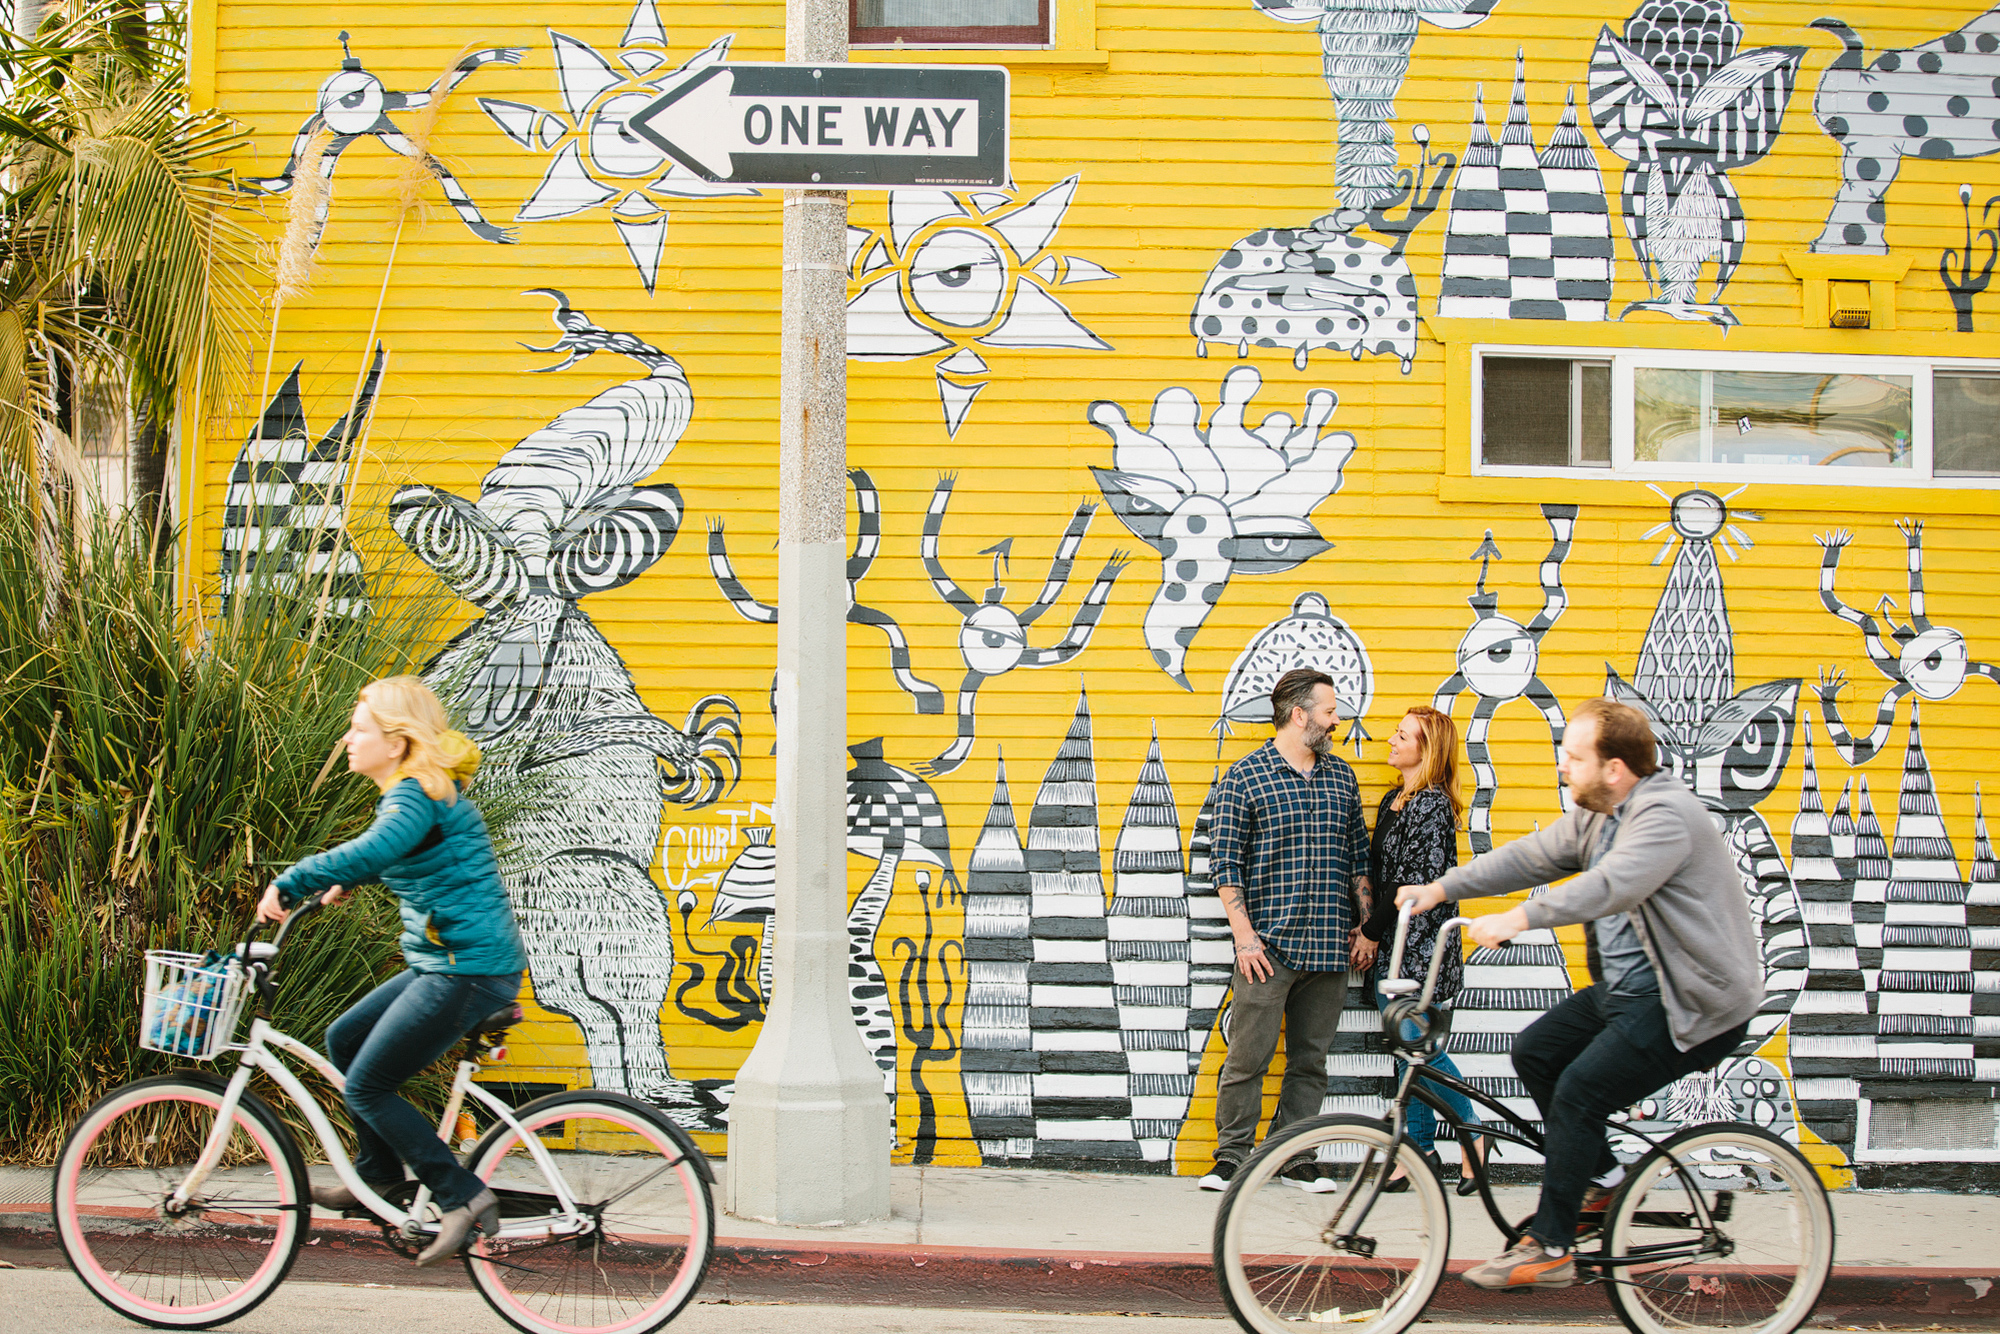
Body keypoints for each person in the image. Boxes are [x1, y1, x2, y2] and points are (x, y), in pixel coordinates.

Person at [1397, 697, 1762, 1291]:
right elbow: (1532, 857)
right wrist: (1441, 888)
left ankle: (1554, 1244)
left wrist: (1520, 920)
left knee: (1579, 1091)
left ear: (1613, 768)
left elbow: (1612, 886)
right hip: (1631, 991)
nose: (1562, 767)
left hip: (1694, 1003)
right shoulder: (1599, 814)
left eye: (1573, 757)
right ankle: (1605, 1182)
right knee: (1536, 1053)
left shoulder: (1664, 816)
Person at [257, 675, 528, 1267]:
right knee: (344, 1039)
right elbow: (404, 852)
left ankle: (461, 1195)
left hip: (467, 970)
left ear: (397, 741)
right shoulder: (418, 795)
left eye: (361, 730)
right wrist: (346, 880)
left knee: (367, 1085)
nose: (349, 739)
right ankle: (379, 1182)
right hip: (452, 964)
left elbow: (379, 847)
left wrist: (295, 878)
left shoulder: (413, 794)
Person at [1201, 667, 1372, 1193]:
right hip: (1268, 948)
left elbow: (1358, 857)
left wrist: (1366, 926)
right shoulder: (1244, 777)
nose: (1337, 720)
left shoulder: (1342, 776)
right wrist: (1244, 936)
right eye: (1329, 711)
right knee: (1247, 1058)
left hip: (1330, 945)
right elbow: (1225, 863)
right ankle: (1231, 1157)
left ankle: (1296, 1156)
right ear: (1299, 715)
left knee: (1310, 1061)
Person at [1349, 706, 1488, 1195]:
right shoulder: (1395, 799)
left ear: (1425, 752)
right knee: (1409, 1053)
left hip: (1420, 949)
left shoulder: (1430, 805)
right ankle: (1419, 1153)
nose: (1391, 739)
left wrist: (1370, 932)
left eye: (1402, 734)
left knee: (1420, 1049)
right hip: (1397, 942)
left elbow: (1410, 883)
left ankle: (1471, 1135)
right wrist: (1372, 928)